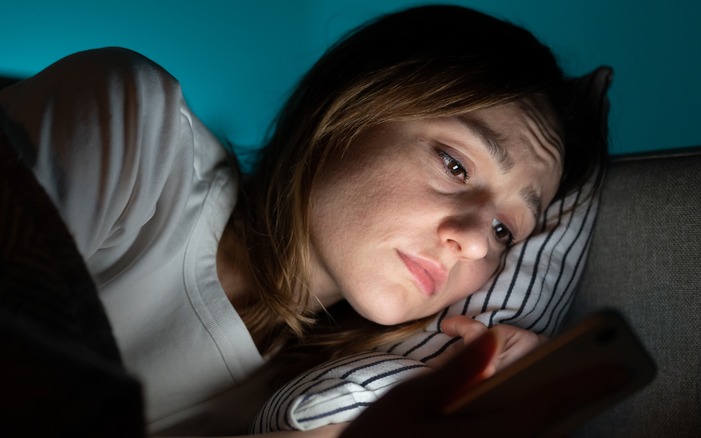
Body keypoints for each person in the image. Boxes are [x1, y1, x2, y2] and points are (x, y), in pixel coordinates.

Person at [0, 4, 606, 436]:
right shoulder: (137, 130)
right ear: (353, 108)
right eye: (454, 163)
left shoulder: (320, 404)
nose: (474, 242)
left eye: (506, 232)